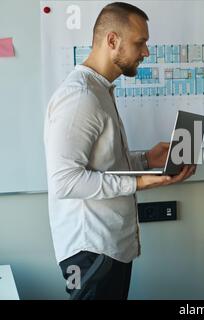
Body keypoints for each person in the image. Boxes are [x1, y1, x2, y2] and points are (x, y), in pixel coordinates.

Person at [44, 2, 195, 299]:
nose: (146, 52)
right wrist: (139, 181)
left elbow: (102, 164)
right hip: (91, 252)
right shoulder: (80, 98)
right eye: (141, 42)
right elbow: (65, 181)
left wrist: (147, 159)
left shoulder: (99, 91)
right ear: (112, 41)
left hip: (109, 248)